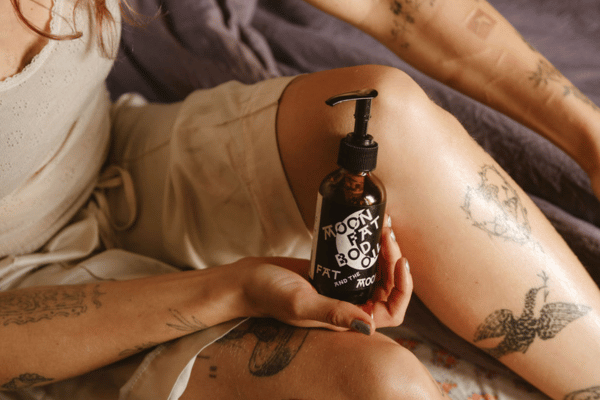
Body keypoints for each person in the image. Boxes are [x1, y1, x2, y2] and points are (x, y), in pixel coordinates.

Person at [1, 0, 599, 398]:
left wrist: (588, 137)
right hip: (23, 293)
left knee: (384, 113)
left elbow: (392, 6)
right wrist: (231, 289)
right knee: (378, 385)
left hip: (116, 154)